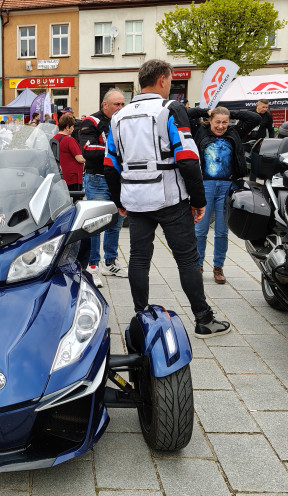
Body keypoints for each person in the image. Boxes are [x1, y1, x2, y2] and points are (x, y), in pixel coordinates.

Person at [104, 59, 230, 339]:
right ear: (162, 80)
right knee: (186, 259)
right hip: (170, 198)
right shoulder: (169, 109)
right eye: (171, 81)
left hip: (135, 199)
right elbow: (187, 159)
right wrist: (198, 199)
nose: (170, 85)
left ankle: (140, 318)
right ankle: (203, 319)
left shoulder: (118, 117)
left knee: (138, 259)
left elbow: (109, 165)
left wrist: (119, 201)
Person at [187, 104, 260, 284]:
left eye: (225, 122)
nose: (221, 126)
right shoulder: (200, 132)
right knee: (200, 230)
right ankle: (198, 266)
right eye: (217, 122)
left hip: (227, 186)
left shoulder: (234, 132)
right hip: (205, 186)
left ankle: (218, 267)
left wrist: (229, 113)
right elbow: (186, 114)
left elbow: (255, 118)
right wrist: (206, 111)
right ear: (209, 121)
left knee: (222, 231)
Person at [79, 89, 127, 285]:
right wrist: (116, 152)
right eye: (117, 104)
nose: (121, 108)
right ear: (104, 105)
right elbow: (88, 150)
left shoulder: (124, 120)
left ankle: (110, 261)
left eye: (123, 104)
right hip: (97, 179)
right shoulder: (91, 121)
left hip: (118, 179)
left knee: (116, 222)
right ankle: (92, 266)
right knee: (96, 224)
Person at [53, 114, 85, 192]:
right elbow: (80, 159)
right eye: (72, 126)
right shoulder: (69, 140)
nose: (73, 129)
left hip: (60, 176)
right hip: (72, 177)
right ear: (67, 127)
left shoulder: (54, 138)